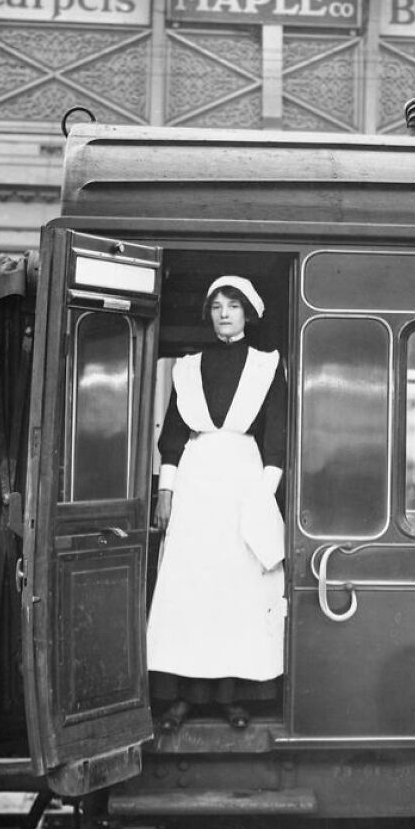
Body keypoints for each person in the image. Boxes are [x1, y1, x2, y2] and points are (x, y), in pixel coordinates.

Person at [147, 276, 286, 732]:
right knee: (191, 590)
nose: (224, 313)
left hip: (245, 482)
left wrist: (262, 497)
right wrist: (166, 492)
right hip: (196, 483)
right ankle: (184, 698)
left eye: (233, 306)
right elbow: (171, 438)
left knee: (236, 589)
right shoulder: (187, 369)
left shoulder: (267, 366)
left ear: (248, 313)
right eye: (217, 306)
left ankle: (232, 697)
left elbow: (277, 439)